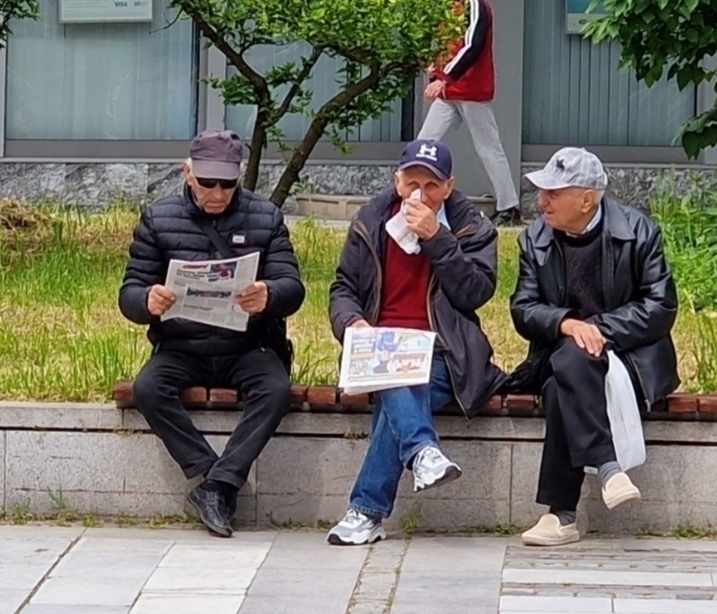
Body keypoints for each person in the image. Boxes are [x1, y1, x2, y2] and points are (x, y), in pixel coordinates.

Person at [118, 129, 305, 538]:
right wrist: (147, 300)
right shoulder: (159, 218)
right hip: (181, 346)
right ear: (187, 173)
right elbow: (129, 293)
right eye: (207, 183)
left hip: (247, 345)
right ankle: (210, 475)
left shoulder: (266, 217)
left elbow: (293, 286)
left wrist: (269, 294)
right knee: (148, 388)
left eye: (227, 183)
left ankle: (219, 485)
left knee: (276, 390)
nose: (217, 193)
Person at [327, 138, 506, 546]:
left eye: (431, 185)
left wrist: (438, 239)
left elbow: (476, 292)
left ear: (449, 187)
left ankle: (366, 511)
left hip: (444, 353)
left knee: (398, 383)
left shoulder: (472, 227)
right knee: (394, 370)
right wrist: (352, 322)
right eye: (411, 183)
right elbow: (343, 287)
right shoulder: (371, 220)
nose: (419, 195)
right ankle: (423, 453)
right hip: (377, 343)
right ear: (397, 181)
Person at [509, 147, 679, 547]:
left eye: (553, 193)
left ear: (586, 199)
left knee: (563, 378)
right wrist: (567, 323)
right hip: (563, 354)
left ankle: (561, 514)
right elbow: (523, 309)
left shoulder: (639, 231)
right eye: (542, 191)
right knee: (569, 363)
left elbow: (661, 307)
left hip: (631, 357)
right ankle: (608, 468)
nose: (541, 201)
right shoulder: (534, 239)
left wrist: (596, 329)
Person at [419, 0, 520, 227]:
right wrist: (437, 71)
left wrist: (444, 78)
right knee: (424, 143)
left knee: (488, 148)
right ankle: (411, 198)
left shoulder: (475, 5)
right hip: (451, 90)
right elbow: (448, 44)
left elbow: (473, 45)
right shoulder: (450, 5)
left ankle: (509, 206)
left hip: (469, 89)